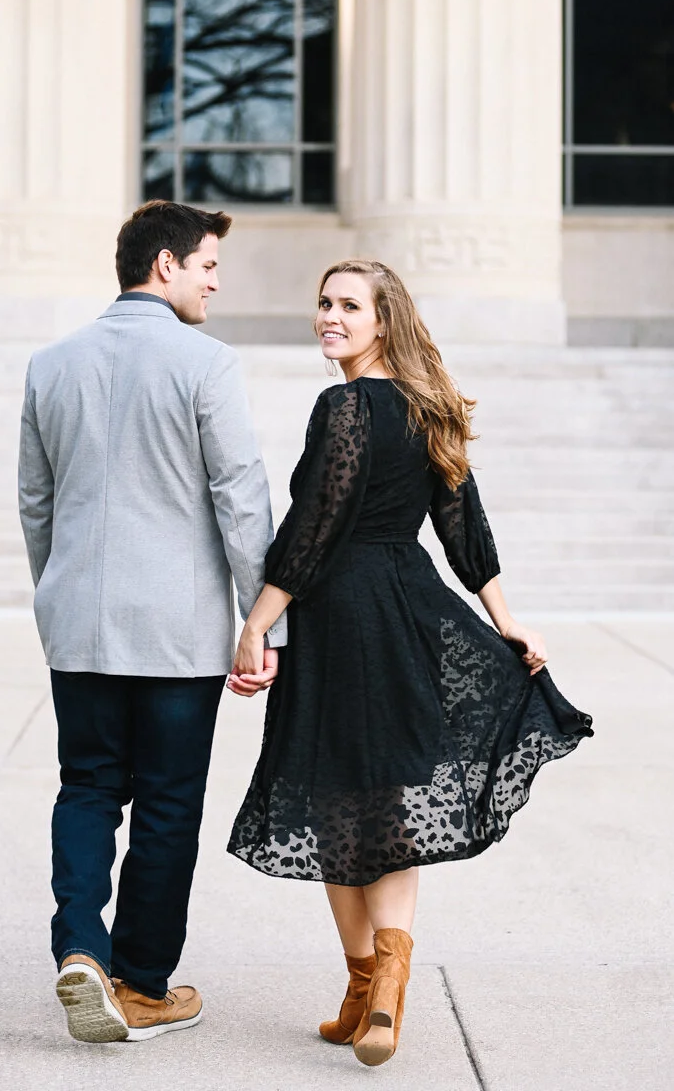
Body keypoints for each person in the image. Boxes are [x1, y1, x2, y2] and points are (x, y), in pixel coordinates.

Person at [226, 258, 593, 1068]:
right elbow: (464, 525)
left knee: (333, 797)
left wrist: (257, 623)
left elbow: (315, 526)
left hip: (337, 613)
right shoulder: (430, 408)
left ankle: (369, 982)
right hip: (407, 607)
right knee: (388, 797)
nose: (329, 317)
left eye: (349, 306)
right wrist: (506, 620)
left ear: (383, 320)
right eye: (323, 302)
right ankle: (379, 989)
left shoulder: (346, 406)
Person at [18, 200, 286, 1044]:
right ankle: (141, 985)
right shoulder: (206, 363)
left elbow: (35, 502)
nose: (215, 282)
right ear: (165, 264)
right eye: (208, 265)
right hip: (177, 633)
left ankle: (80, 949)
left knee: (88, 787)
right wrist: (263, 623)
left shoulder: (51, 363)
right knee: (168, 805)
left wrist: (58, 590)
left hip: (79, 624)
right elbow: (241, 497)